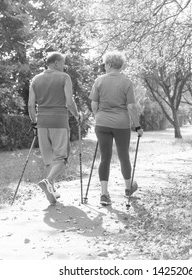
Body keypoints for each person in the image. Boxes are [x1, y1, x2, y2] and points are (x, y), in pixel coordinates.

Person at [89, 51, 144, 206]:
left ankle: (104, 194)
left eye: (105, 64)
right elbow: (131, 106)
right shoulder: (126, 82)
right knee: (123, 156)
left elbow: (94, 104)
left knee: (104, 157)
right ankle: (128, 188)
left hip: (102, 123)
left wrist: (98, 117)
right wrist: (137, 126)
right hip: (121, 124)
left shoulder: (99, 81)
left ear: (109, 64)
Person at [28, 51, 81, 205]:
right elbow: (69, 102)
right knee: (62, 157)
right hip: (59, 121)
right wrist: (77, 116)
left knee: (49, 159)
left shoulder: (36, 79)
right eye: (63, 63)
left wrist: (34, 122)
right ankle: (48, 180)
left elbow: (31, 105)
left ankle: (51, 192)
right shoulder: (64, 77)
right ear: (56, 62)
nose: (64, 66)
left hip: (42, 122)